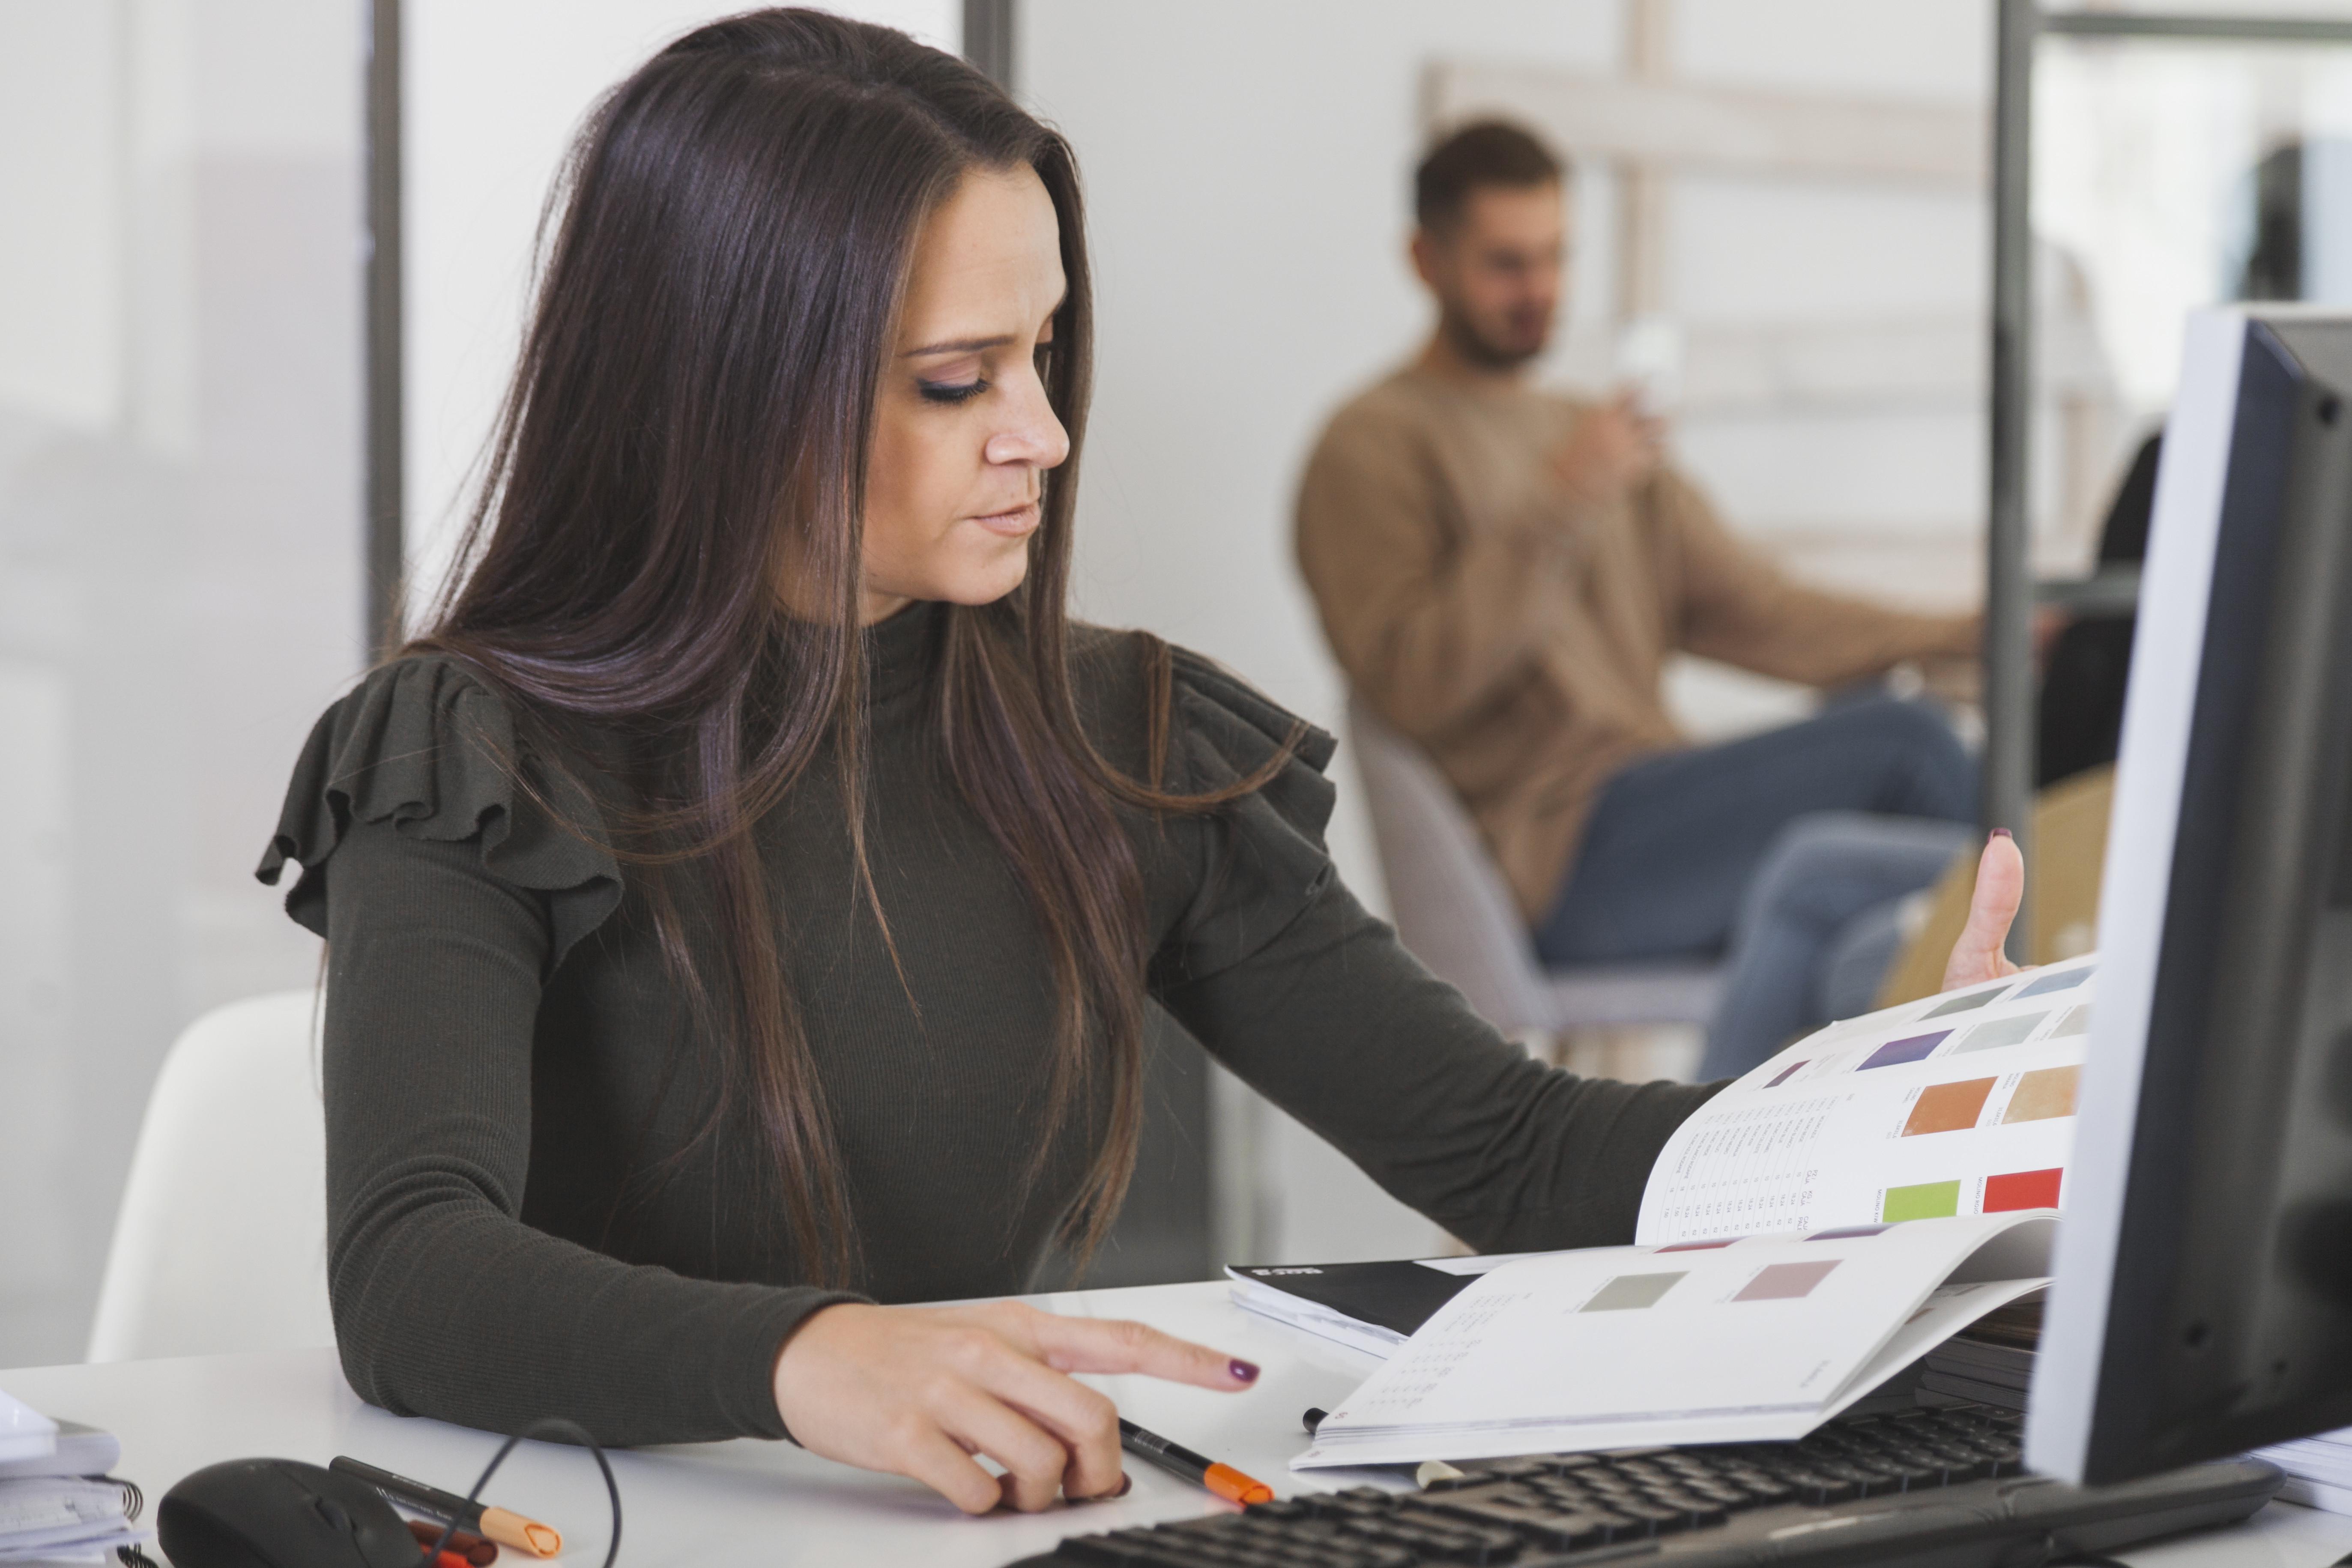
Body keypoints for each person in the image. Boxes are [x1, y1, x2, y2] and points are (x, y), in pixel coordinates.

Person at [258, 14, 2025, 1518]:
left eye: (1040, 355)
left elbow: (1512, 1145)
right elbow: (410, 1273)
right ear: (729, 386)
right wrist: (809, 1358)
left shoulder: (1126, 741)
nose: (1040, 432)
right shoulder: (467, 755)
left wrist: (1903, 1122)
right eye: (955, 380)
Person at [1294, 122, 1987, 1076]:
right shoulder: (1371, 446)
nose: (1539, 289)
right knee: (1905, 749)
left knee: (1883, 780)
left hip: (1657, 813)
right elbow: (1415, 685)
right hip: (1560, 860)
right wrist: (1562, 500)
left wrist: (1970, 633)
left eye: (1555, 257)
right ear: (1426, 260)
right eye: (1506, 264)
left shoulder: (1590, 432)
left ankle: (1875, 1084)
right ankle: (2076, 991)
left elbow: (1768, 614)